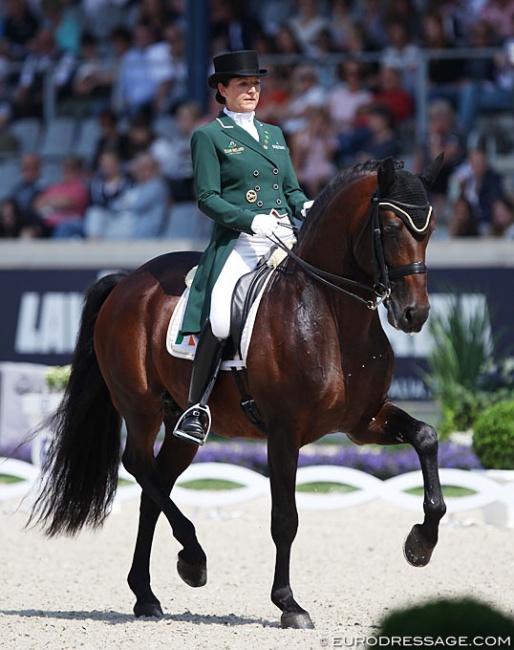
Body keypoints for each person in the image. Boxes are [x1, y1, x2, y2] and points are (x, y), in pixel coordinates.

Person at [174, 50, 312, 445]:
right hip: (241, 240)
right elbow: (207, 198)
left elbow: (291, 190)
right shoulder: (209, 136)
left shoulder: (274, 135)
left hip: (285, 235)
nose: (252, 90)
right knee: (219, 318)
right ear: (223, 89)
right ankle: (196, 407)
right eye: (242, 84)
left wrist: (308, 206)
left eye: (255, 84)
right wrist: (252, 220)